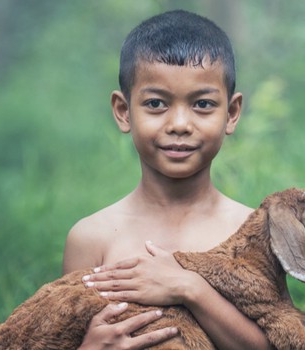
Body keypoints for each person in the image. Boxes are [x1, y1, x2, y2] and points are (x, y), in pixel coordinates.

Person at [63, 10, 273, 350]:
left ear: (231, 113)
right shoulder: (91, 238)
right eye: (156, 103)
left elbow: (281, 340)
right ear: (123, 111)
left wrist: (190, 289)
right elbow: (58, 329)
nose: (179, 123)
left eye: (202, 104)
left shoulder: (254, 231)